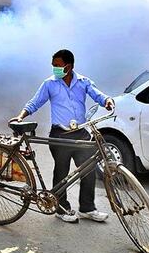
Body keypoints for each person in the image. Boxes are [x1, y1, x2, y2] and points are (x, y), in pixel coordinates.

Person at [9, 49, 115, 223]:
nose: (54, 69)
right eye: (53, 66)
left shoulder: (83, 82)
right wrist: (21, 116)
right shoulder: (49, 84)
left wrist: (107, 101)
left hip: (80, 132)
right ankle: (61, 208)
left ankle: (87, 208)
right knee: (62, 171)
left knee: (87, 170)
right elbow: (35, 102)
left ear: (69, 66)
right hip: (60, 133)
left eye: (58, 65)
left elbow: (97, 94)